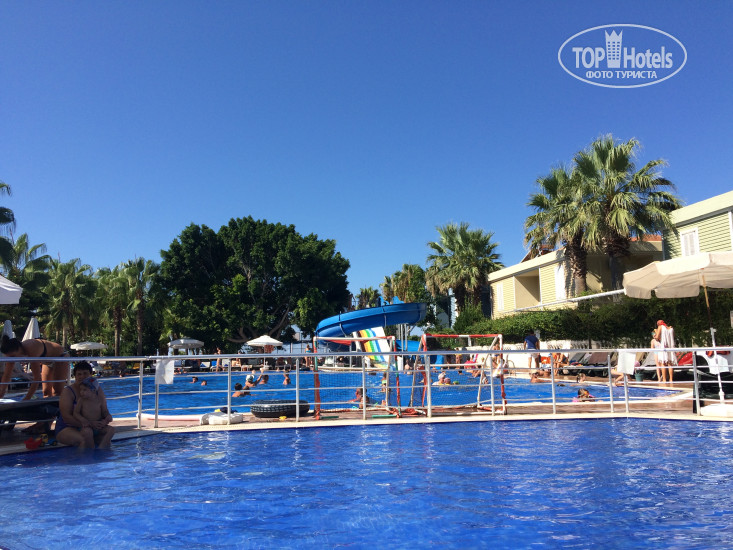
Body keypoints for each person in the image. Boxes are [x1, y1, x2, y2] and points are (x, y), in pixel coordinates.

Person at [56, 361, 113, 449]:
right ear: (75, 376)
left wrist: (106, 419)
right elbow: (66, 418)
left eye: (85, 373)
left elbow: (104, 410)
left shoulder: (97, 390)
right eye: (79, 374)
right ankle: (85, 457)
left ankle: (103, 455)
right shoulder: (68, 392)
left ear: (90, 375)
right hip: (67, 428)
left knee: (107, 435)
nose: (82, 376)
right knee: (84, 439)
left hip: (91, 427)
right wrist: (89, 424)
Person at [0, 335, 70, 400]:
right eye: (9, 357)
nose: (12, 359)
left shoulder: (31, 347)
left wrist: (26, 399)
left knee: (57, 392)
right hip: (47, 361)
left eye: (13, 356)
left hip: (60, 357)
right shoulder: (12, 354)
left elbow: (36, 377)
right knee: (46, 392)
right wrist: (1, 393)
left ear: (18, 349)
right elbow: (7, 375)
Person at [73, 377, 115, 449]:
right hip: (88, 426)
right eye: (81, 390)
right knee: (88, 432)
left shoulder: (100, 400)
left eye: (85, 390)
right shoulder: (81, 400)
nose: (81, 392)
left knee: (111, 430)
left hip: (99, 426)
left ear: (94, 390)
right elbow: (76, 413)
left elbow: (104, 411)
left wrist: (107, 418)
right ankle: (90, 449)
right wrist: (84, 421)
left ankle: (102, 448)